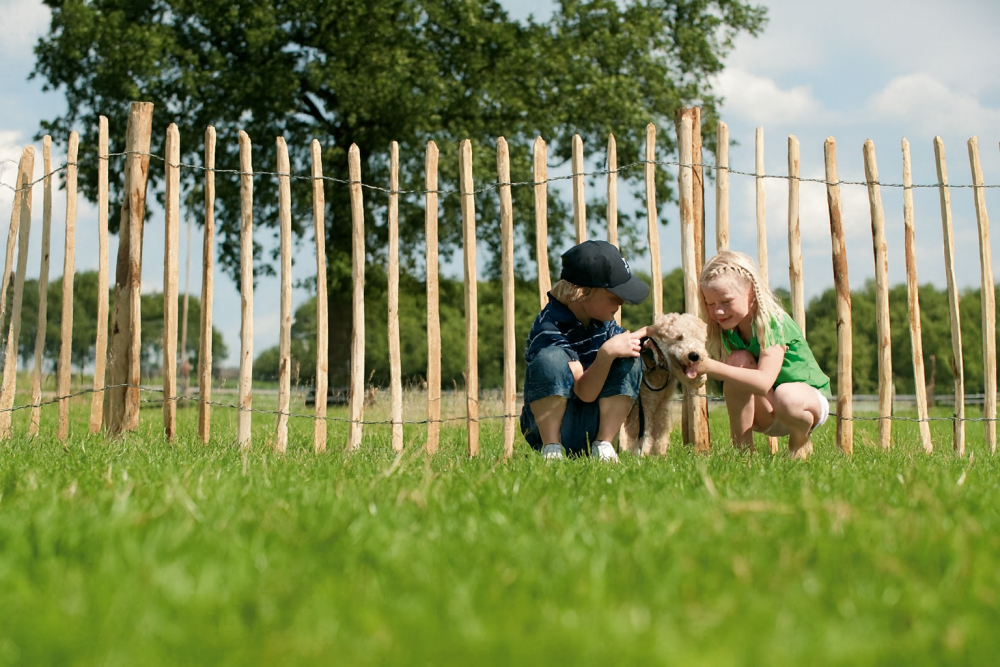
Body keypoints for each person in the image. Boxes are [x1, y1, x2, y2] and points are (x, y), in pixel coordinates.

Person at [693, 251, 831, 459]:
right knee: (737, 362)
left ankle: (800, 440)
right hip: (768, 411)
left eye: (726, 302)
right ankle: (743, 454)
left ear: (751, 294)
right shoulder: (730, 329)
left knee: (787, 395)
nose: (718, 312)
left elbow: (763, 382)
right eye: (710, 304)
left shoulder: (772, 323)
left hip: (803, 406)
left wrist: (711, 366)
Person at [520, 240, 650, 461]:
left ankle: (603, 445)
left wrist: (652, 333)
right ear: (583, 293)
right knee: (550, 359)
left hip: (591, 423)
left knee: (630, 355)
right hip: (554, 426)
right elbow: (584, 391)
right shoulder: (548, 327)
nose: (621, 302)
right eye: (613, 295)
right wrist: (606, 353)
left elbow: (624, 342)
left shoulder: (602, 321)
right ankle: (552, 449)